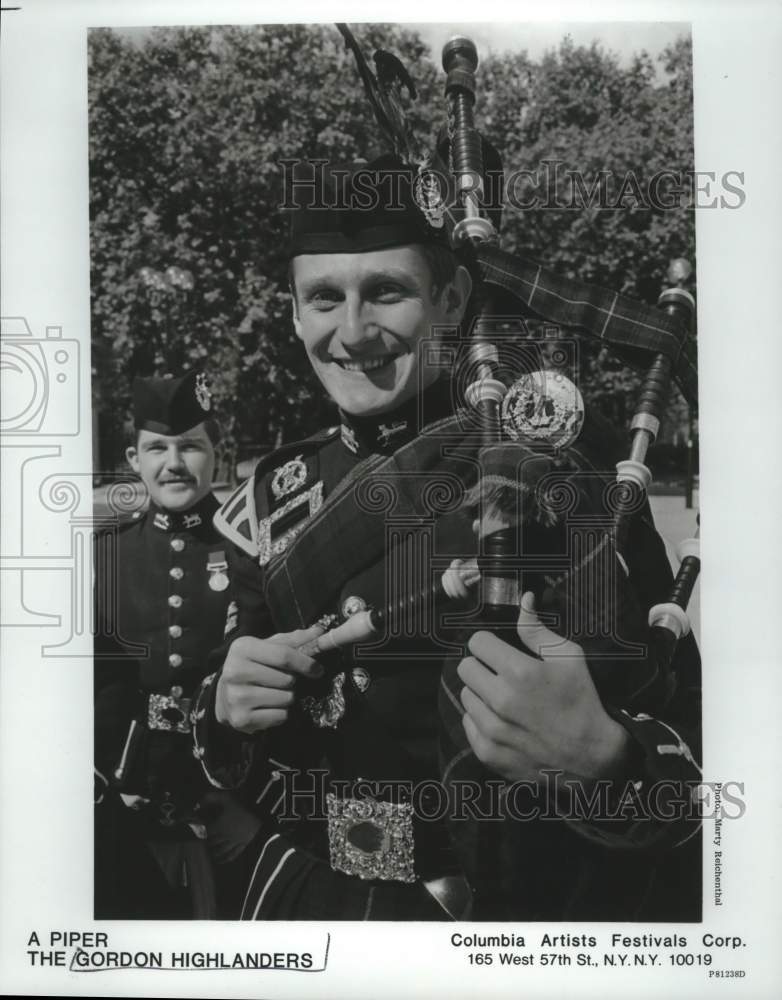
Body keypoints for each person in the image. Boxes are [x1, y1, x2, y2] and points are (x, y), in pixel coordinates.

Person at [192, 157, 702, 921]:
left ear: (453, 296)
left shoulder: (565, 469)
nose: (353, 331)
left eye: (387, 292)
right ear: (294, 312)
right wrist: (225, 707)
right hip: (318, 905)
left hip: (524, 915)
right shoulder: (268, 500)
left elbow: (689, 729)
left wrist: (605, 758)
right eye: (324, 297)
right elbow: (229, 726)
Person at [93, 370, 260, 919]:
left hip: (234, 801)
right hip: (131, 800)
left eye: (190, 446)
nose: (173, 462)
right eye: (156, 448)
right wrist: (111, 783)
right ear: (133, 458)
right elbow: (95, 686)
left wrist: (248, 808)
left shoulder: (252, 552)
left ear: (218, 452)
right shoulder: (105, 555)